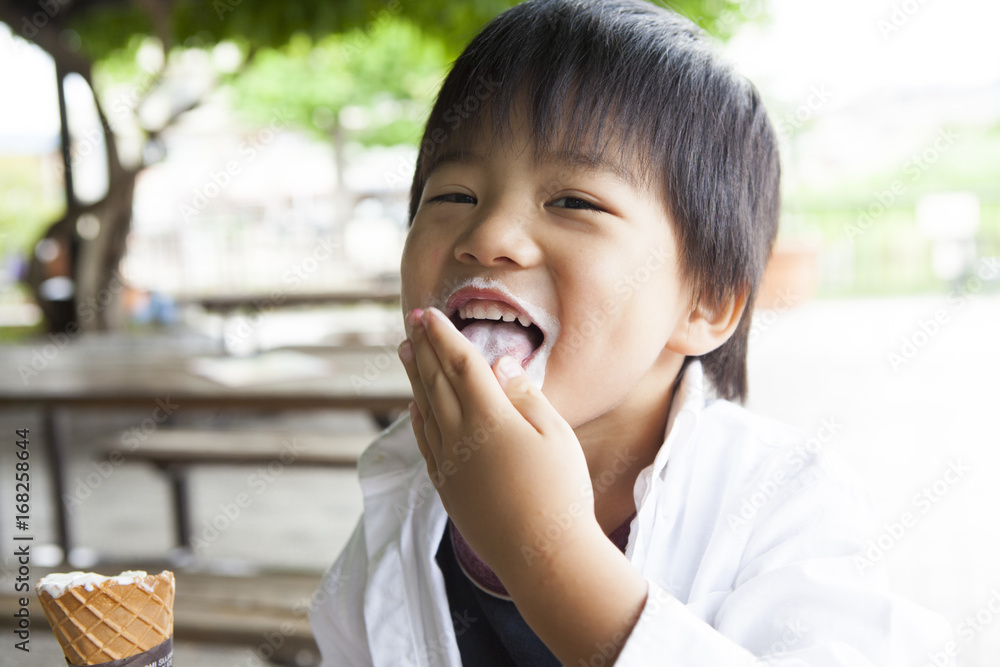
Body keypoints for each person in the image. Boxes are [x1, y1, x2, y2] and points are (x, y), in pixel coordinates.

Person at [310, 1, 953, 664]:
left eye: (574, 202)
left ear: (703, 303)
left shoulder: (782, 501)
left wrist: (549, 555)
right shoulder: (404, 493)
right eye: (453, 196)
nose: (489, 237)